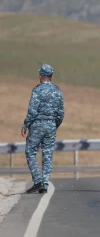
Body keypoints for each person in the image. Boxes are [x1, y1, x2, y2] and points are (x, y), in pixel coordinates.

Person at [21, 64, 64, 194]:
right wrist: (54, 125)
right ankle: (44, 184)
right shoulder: (57, 91)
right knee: (47, 154)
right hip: (51, 125)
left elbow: (32, 111)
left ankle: (37, 181)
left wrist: (25, 125)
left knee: (30, 151)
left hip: (37, 124)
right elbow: (61, 113)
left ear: (40, 76)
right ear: (51, 76)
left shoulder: (37, 90)